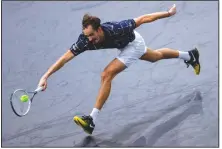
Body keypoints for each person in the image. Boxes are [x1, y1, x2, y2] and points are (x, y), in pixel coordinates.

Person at [38, 4, 200, 134]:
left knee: (106, 74)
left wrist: (168, 13)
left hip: (133, 44)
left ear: (99, 29)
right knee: (156, 56)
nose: (89, 39)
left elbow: (144, 18)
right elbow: (65, 58)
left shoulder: (118, 28)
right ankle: (190, 55)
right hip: (124, 46)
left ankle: (91, 120)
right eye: (86, 36)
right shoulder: (85, 41)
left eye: (92, 35)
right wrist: (46, 76)